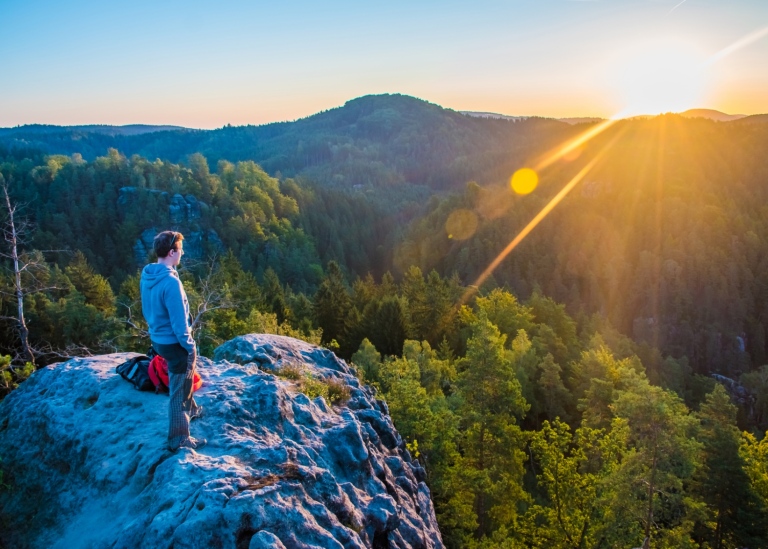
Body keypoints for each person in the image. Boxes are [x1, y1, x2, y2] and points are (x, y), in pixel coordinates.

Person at [140, 231, 205, 452]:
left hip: (157, 340)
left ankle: (192, 408)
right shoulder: (170, 283)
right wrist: (189, 346)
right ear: (171, 252)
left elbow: (146, 308)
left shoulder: (148, 274)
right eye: (180, 249)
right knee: (179, 390)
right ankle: (178, 440)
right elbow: (179, 324)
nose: (183, 252)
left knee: (183, 381)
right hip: (173, 343)